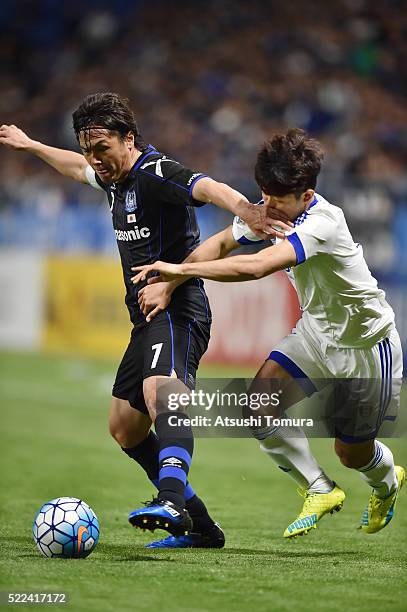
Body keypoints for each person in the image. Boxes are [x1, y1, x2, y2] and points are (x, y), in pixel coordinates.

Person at [0, 92, 292, 549]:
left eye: (102, 149)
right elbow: (75, 169)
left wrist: (248, 211)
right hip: (146, 319)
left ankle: (172, 500)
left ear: (128, 139)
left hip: (178, 309)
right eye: (88, 150)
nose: (94, 160)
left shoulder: (154, 172)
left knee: (162, 390)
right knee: (125, 427)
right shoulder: (113, 178)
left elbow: (206, 186)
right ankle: (203, 528)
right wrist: (33, 145)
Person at [132, 128, 405, 538]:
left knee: (352, 453)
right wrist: (169, 285)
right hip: (316, 334)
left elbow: (258, 267)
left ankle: (386, 482)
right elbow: (223, 243)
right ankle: (318, 487)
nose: (269, 208)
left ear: (307, 196)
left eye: (279, 200)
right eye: (265, 195)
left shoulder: (323, 222)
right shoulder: (272, 209)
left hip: (367, 347)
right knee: (257, 405)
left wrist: (181, 270)